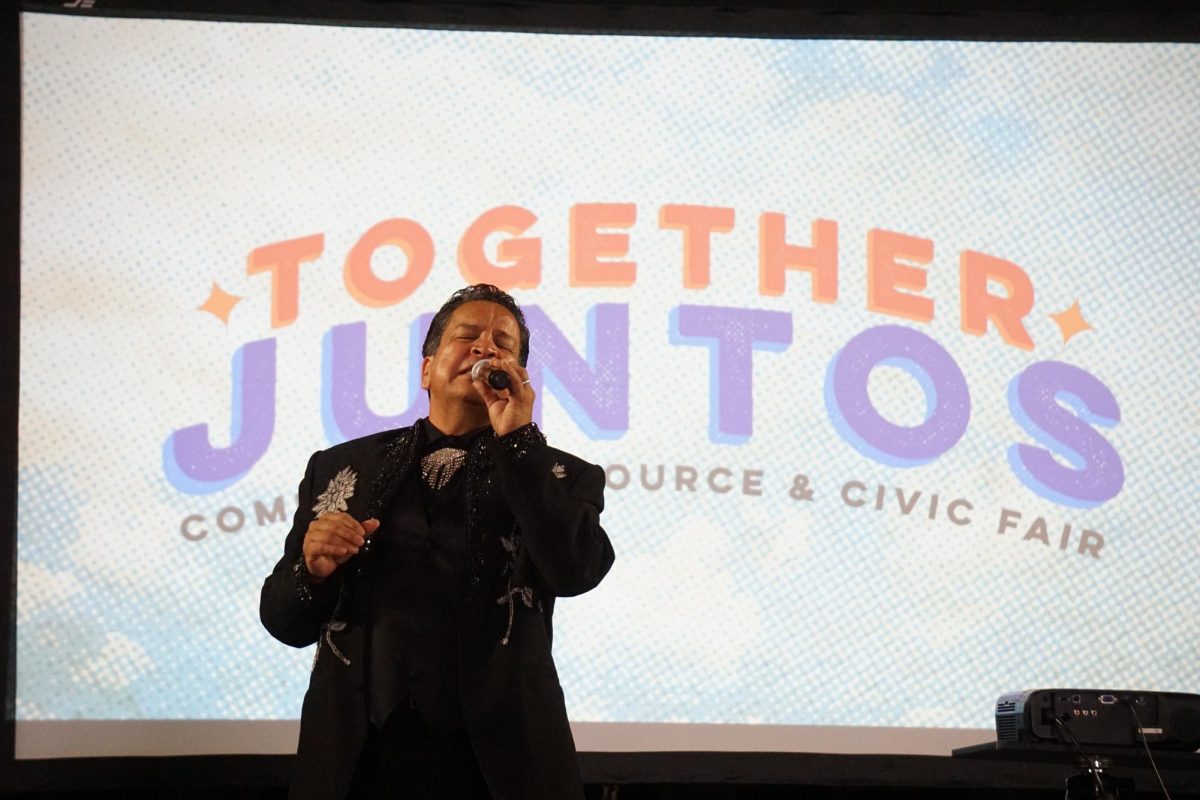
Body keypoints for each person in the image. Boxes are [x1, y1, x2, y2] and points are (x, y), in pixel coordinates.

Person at [260, 284, 615, 800]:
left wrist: (517, 439)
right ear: (426, 370)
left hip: (500, 764)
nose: (485, 348)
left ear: (517, 374)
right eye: (468, 335)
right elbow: (282, 621)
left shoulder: (561, 476)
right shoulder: (340, 468)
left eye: (503, 344)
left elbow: (577, 569)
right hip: (359, 761)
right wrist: (311, 571)